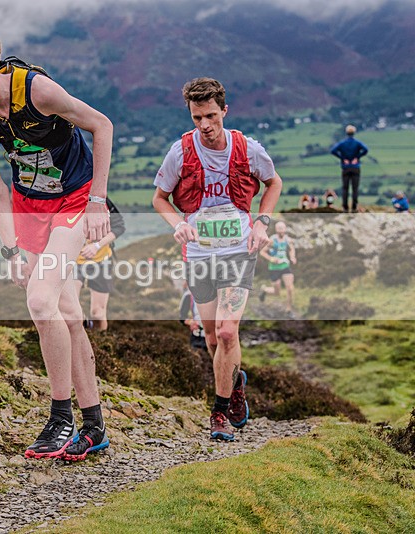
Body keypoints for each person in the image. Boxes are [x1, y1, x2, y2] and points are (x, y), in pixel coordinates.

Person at [0, 22, 113, 462]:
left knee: (40, 300)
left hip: (74, 199)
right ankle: (94, 427)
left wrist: (98, 200)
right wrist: (11, 247)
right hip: (29, 207)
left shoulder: (38, 91)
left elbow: (101, 126)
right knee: (67, 311)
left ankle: (59, 416)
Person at [152, 77, 282, 441]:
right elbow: (160, 198)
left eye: (211, 116)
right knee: (210, 336)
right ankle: (234, 380)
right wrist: (177, 223)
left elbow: (274, 183)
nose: (205, 125)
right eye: (197, 118)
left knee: (227, 331)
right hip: (198, 255)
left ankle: (219, 412)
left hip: (239, 251)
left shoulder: (247, 148)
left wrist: (262, 223)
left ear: (224, 110)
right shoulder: (179, 152)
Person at [74, 198, 125, 331]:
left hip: (101, 260)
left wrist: (96, 246)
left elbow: (119, 226)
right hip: (73, 261)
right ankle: (79, 339)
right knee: (71, 309)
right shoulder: (69, 196)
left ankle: (101, 344)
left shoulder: (102, 201)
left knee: (97, 313)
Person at [259, 221, 297, 316]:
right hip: (274, 268)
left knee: (290, 288)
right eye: (279, 229)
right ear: (276, 230)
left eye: (283, 229)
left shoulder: (287, 239)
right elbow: (262, 252)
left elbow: (291, 249)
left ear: (285, 229)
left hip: (285, 266)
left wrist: (292, 257)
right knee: (277, 292)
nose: (281, 231)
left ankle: (289, 309)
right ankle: (264, 290)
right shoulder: (272, 240)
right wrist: (271, 259)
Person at [330, 125, 369, 213]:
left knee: (345, 188)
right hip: (355, 167)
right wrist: (357, 157)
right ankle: (354, 207)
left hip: (345, 167)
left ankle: (345, 208)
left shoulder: (342, 143)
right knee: (355, 188)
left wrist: (342, 158)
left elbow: (333, 151)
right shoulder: (357, 143)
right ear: (354, 133)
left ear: (346, 133)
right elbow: (366, 149)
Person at [179, 281, 207, 350]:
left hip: (216, 337)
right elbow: (182, 317)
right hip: (197, 337)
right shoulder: (189, 295)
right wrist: (191, 322)